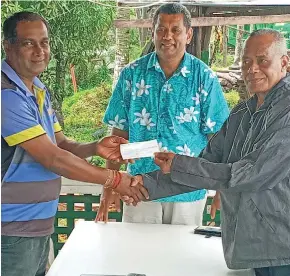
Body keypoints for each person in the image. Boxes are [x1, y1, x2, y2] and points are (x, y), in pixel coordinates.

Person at [1, 12, 148, 276]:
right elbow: (53, 159)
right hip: (10, 230)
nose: (39, 51)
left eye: (44, 43)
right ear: (7, 46)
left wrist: (95, 147)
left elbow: (61, 144)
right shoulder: (6, 95)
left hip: (36, 226)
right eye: (28, 43)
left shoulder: (37, 89)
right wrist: (115, 180)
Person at [139, 29, 290, 276]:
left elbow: (252, 174)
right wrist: (143, 184)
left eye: (262, 60)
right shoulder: (241, 114)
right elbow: (204, 165)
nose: (252, 69)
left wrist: (179, 165)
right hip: (248, 245)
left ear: (284, 61)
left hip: (282, 250)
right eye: (246, 61)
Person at [96, 3, 229, 225]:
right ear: (153, 33)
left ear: (188, 35)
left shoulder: (204, 77)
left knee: (183, 257)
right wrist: (109, 187)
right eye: (161, 29)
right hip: (138, 187)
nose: (167, 36)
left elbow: (218, 139)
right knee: (140, 256)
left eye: (175, 30)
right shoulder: (131, 75)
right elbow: (118, 133)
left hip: (188, 189)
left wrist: (221, 189)